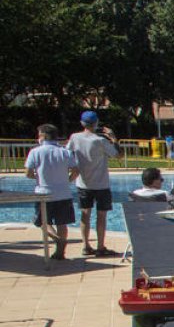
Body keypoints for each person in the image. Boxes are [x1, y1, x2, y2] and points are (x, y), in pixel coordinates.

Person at [67, 110, 119, 257]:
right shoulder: (100, 140)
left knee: (85, 215)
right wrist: (113, 138)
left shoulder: (74, 137)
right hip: (101, 184)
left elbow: (67, 153)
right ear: (96, 123)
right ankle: (100, 246)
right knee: (101, 216)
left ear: (82, 123)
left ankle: (86, 246)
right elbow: (117, 154)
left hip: (83, 183)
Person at [24, 124, 79, 260]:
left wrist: (37, 176)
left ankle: (57, 240)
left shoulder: (36, 152)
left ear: (42, 136)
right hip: (63, 192)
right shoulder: (64, 151)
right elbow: (76, 170)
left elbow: (28, 172)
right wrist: (68, 180)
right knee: (62, 223)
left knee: (42, 222)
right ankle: (60, 251)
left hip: (44, 192)